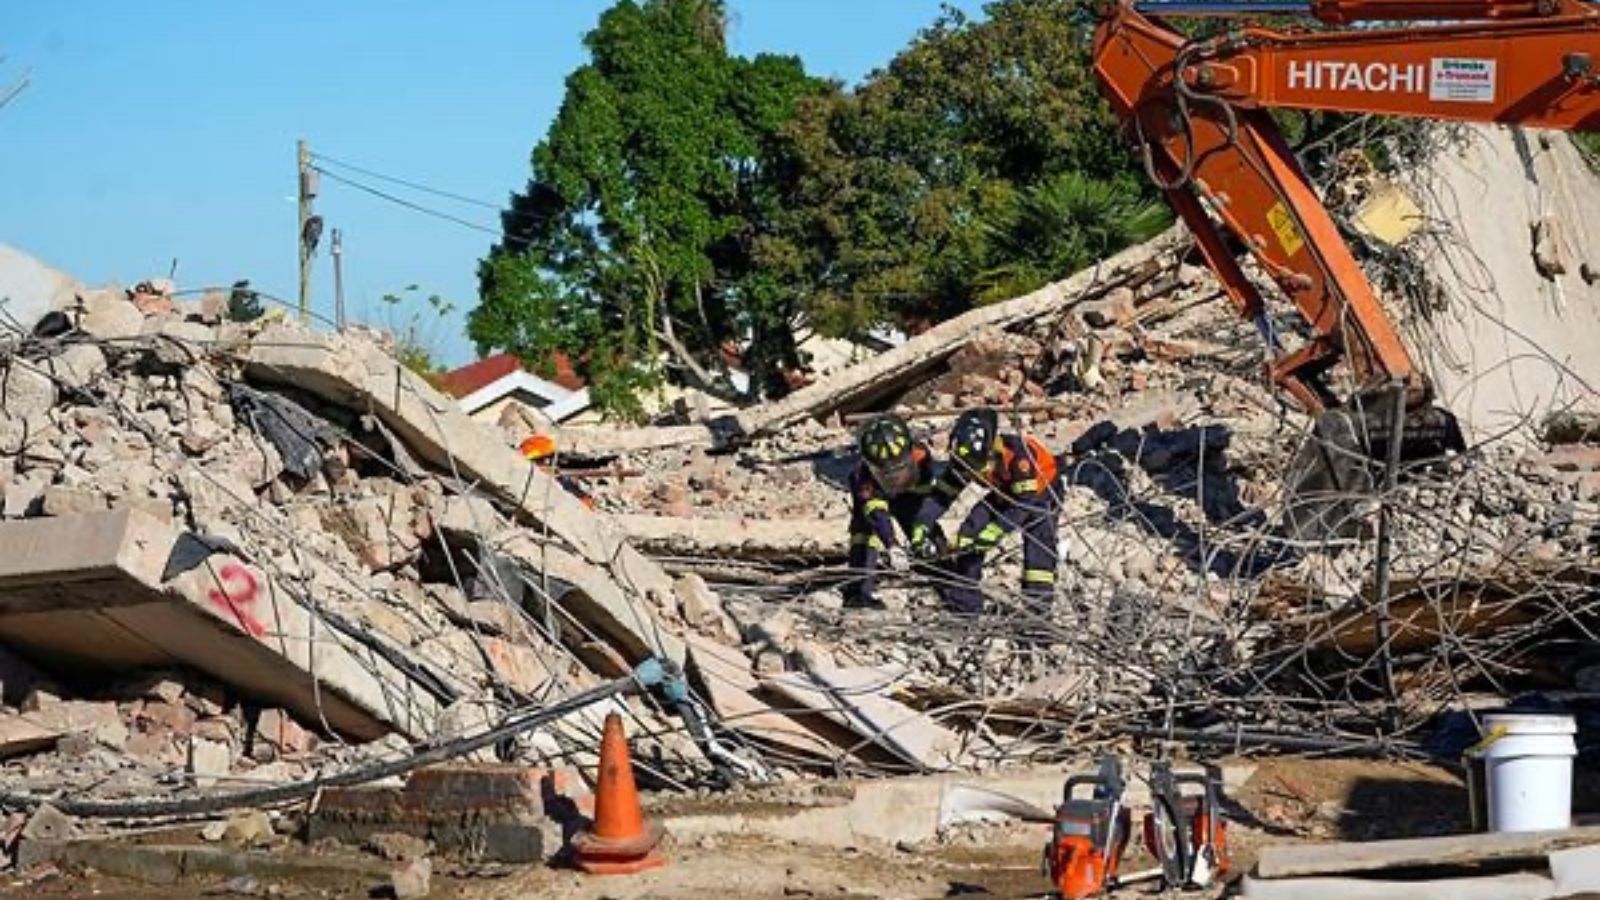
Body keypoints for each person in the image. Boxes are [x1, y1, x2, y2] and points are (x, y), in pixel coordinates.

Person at [914, 408, 1061, 614]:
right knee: (969, 533)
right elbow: (941, 497)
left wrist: (996, 530)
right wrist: (922, 524)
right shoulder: (965, 459)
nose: (973, 473)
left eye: (978, 467)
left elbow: (1023, 505)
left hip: (1040, 495)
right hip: (1004, 490)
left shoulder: (1019, 457)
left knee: (1038, 553)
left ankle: (1038, 615)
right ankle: (966, 605)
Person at [845, 414, 948, 609]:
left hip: (909, 495)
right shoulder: (862, 477)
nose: (895, 477)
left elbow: (926, 500)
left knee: (927, 535)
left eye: (900, 468)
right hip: (877, 495)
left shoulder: (921, 456)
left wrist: (921, 528)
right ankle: (859, 594)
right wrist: (891, 544)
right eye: (888, 472)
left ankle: (948, 584)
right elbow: (877, 515)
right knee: (865, 536)